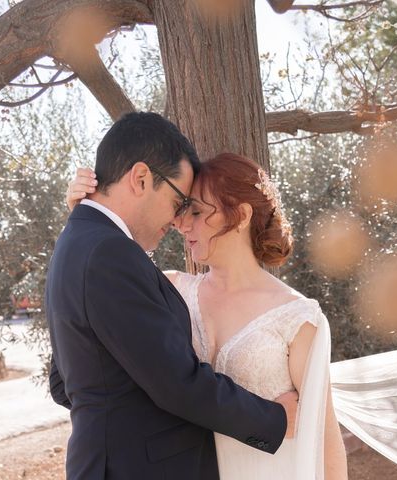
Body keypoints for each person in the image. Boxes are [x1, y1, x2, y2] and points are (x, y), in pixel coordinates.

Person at [47, 112, 298, 480]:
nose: (179, 220)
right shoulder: (108, 253)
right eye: (179, 200)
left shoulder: (77, 244)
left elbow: (64, 383)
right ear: (141, 178)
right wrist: (276, 419)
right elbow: (177, 385)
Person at [67, 153, 348, 479]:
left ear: (241, 215)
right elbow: (93, 310)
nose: (181, 224)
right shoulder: (170, 290)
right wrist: (86, 221)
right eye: (181, 210)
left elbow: (326, 440)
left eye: (197, 212)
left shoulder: (297, 319)